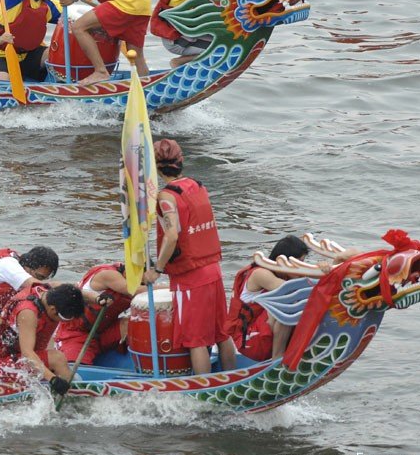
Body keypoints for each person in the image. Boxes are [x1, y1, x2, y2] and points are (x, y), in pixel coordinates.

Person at [143, 138, 236, 374]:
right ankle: (229, 378)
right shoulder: (198, 185)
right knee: (221, 333)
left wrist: (157, 270)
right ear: (181, 161)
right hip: (213, 268)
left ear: (155, 166)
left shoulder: (165, 197)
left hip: (190, 276)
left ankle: (204, 392)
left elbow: (172, 235)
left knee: (196, 341)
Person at [226, 235, 321, 361]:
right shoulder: (261, 274)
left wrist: (325, 269)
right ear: (281, 261)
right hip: (247, 343)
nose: (301, 268)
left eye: (303, 263)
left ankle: (303, 349)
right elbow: (294, 290)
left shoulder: (281, 273)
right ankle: (278, 358)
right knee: (287, 304)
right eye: (298, 263)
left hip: (262, 336)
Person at [0, 283, 87, 396]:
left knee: (57, 357)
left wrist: (98, 299)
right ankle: (72, 397)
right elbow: (27, 353)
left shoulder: (48, 293)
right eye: (65, 318)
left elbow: (74, 293)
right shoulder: (28, 313)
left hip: (22, 359)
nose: (66, 322)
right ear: (53, 309)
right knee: (58, 358)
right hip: (6, 366)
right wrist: (53, 380)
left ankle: (68, 386)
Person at [54, 262, 144, 365]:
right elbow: (135, 290)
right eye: (141, 281)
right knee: (72, 369)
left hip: (104, 331)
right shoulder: (108, 274)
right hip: (77, 333)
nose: (142, 284)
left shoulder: (138, 281)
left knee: (137, 323)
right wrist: (166, 288)